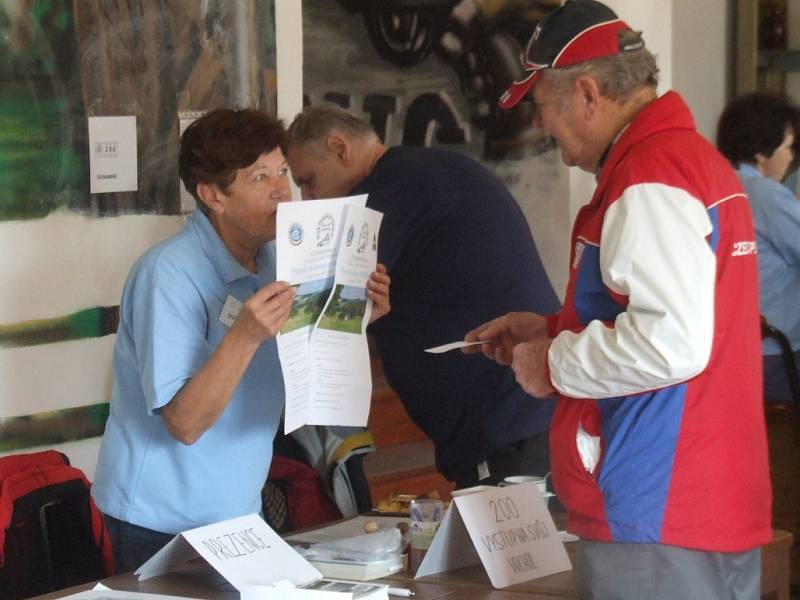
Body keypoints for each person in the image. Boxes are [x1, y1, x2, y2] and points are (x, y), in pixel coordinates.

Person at [465, 1, 772, 597]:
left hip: (657, 505)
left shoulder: (649, 178)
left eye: (541, 105)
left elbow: (671, 342)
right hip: (706, 495)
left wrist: (550, 361)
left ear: (585, 94)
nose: (538, 125)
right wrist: (551, 328)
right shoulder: (691, 163)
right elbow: (674, 314)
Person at [91, 108, 390, 573]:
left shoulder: (277, 259)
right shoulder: (167, 274)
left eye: (283, 172)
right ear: (213, 195)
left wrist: (357, 316)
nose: (282, 191)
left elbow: (305, 369)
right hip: (161, 516)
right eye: (259, 178)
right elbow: (185, 423)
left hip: (236, 508)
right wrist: (245, 336)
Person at [284, 104, 561, 489]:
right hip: (521, 411)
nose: (308, 199)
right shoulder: (430, 169)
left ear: (339, 148)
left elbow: (321, 313)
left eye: (309, 181)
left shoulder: (385, 192)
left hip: (507, 423)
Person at [717, 92, 800, 404]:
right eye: (788, 146)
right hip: (779, 354)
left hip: (737, 348)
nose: (791, 157)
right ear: (762, 150)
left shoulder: (723, 184)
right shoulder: (765, 194)